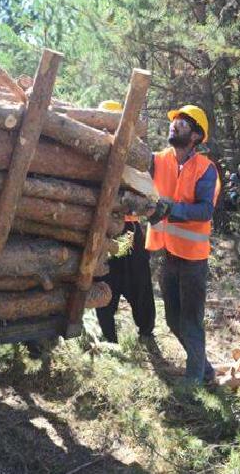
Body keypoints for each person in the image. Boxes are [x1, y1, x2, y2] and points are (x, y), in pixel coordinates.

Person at [145, 104, 221, 386]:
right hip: (169, 254)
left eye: (182, 123)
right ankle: (205, 370)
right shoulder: (159, 159)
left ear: (196, 136)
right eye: (173, 121)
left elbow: (204, 211)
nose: (174, 125)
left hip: (193, 260)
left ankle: (194, 383)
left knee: (191, 321)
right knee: (173, 321)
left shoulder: (206, 170)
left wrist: (170, 209)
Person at [93, 100, 157, 344]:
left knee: (137, 280)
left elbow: (147, 192)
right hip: (102, 232)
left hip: (127, 230)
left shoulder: (133, 155)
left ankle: (146, 331)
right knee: (105, 278)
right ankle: (109, 336)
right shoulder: (91, 154)